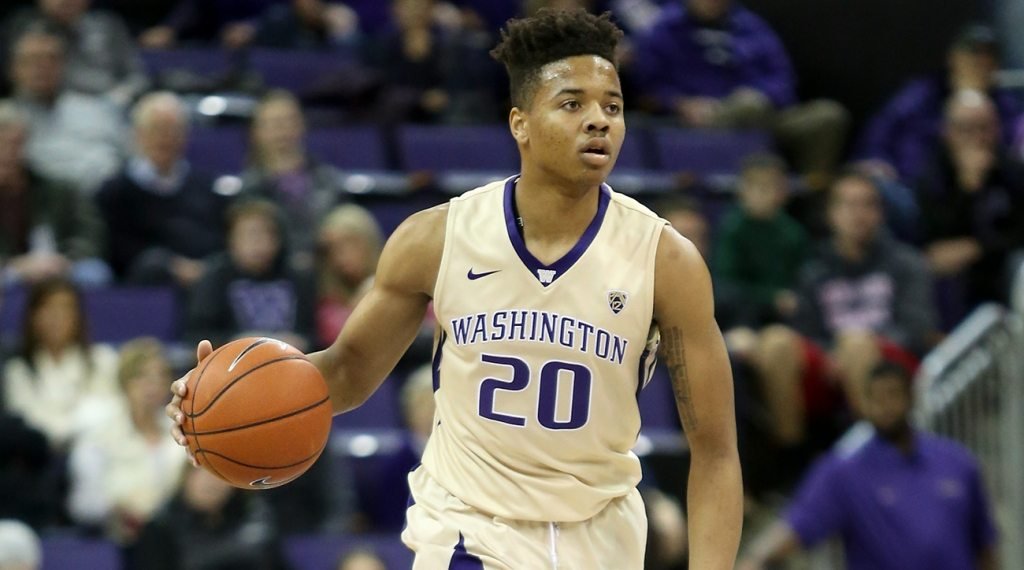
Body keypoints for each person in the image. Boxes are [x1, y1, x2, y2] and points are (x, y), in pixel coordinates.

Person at [169, 9, 741, 568]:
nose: (599, 121)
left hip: (602, 538)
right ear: (520, 123)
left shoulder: (665, 260)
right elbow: (346, 372)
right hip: (469, 530)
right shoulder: (437, 238)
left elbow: (715, 451)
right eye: (573, 104)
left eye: (612, 106)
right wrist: (217, 402)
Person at [746, 171, 936, 466]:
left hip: (891, 365)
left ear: (880, 213)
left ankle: (877, 459)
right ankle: (792, 462)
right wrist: (836, 355)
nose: (858, 214)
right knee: (775, 341)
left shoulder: (906, 263)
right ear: (831, 215)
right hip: (831, 365)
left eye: (867, 205)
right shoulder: (814, 271)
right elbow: (805, 331)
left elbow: (916, 329)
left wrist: (858, 346)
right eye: (848, 205)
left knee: (855, 343)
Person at [737, 362, 999, 570]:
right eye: (875, 398)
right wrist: (754, 560)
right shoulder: (845, 472)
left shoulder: (957, 463)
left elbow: (985, 546)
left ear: (911, 397)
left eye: (892, 395)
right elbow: (795, 528)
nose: (885, 407)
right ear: (864, 404)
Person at [633, 0, 849, 189]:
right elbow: (648, 86)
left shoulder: (751, 26)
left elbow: (784, 79)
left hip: (762, 111)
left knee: (827, 116)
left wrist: (762, 95)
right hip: (701, 121)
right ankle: (755, 195)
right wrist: (680, 104)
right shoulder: (665, 28)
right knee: (749, 107)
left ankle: (813, 200)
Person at [856, 23, 1022, 183]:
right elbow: (881, 128)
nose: (980, 62)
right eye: (973, 54)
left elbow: (1013, 150)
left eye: (988, 56)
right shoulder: (922, 95)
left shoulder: (1006, 106)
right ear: (953, 57)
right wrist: (876, 158)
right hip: (908, 183)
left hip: (981, 186)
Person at [95, 92, 228, 287]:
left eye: (173, 130)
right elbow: (114, 248)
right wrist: (172, 267)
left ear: (185, 136)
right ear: (138, 134)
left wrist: (200, 268)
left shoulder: (206, 187)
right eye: (157, 129)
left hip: (204, 280)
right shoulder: (115, 191)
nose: (165, 138)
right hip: (141, 288)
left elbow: (217, 238)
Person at [66, 338, 187, 544]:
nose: (153, 385)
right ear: (124, 381)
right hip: (118, 538)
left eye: (160, 376)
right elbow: (83, 503)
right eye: (141, 376)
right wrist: (115, 508)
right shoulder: (99, 434)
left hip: (177, 536)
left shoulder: (182, 430)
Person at [915, 89, 1024, 310]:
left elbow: (1020, 232)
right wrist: (967, 190)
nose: (977, 138)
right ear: (948, 132)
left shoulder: (1012, 172)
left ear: (997, 128)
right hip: (953, 276)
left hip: (1001, 266)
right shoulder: (932, 178)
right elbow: (935, 241)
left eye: (984, 127)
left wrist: (978, 248)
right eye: (966, 129)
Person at [5, 23, 126, 194]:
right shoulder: (6, 120)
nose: (43, 67)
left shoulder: (98, 109)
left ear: (64, 65)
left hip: (109, 199)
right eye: (33, 60)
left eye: (51, 59)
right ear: (14, 69)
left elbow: (130, 161)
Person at [0, 101, 110, 288]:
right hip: (6, 270)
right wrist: (15, 266)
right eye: (2, 144)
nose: (8, 152)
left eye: (15, 143)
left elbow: (90, 234)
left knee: (94, 273)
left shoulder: (57, 189)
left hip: (55, 265)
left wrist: (64, 260)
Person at [185, 199, 317, 351]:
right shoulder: (215, 278)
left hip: (291, 358)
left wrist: (303, 341)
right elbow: (197, 336)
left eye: (267, 234)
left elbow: (315, 333)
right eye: (251, 235)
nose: (259, 243)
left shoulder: (298, 278)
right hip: (233, 361)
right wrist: (235, 342)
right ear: (232, 239)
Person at [3, 278, 118, 450]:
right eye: (48, 307)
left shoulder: (102, 360)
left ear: (78, 317)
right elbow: (28, 423)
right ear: (33, 317)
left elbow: (111, 414)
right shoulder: (18, 371)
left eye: (66, 307)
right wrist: (76, 428)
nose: (57, 316)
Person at [0, 0, 149, 106]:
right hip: (52, 109)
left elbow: (138, 75)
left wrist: (121, 96)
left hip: (114, 105)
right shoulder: (25, 32)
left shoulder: (108, 25)